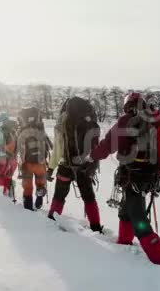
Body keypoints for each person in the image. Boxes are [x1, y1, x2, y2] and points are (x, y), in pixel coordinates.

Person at [89, 92, 160, 268]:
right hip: (151, 175)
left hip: (133, 175)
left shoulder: (126, 121)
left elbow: (108, 145)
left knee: (139, 221)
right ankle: (124, 243)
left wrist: (92, 156)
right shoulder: (157, 120)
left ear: (128, 104)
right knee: (126, 209)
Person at [46, 97, 103, 233]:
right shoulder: (90, 119)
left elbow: (58, 149)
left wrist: (51, 168)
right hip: (85, 167)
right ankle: (95, 226)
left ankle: (52, 220)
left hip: (66, 165)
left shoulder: (63, 121)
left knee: (59, 195)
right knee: (89, 197)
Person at [17, 107, 51, 210]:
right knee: (40, 182)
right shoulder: (41, 130)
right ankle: (39, 199)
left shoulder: (21, 130)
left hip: (26, 164)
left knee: (27, 187)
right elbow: (50, 146)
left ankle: (28, 208)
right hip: (40, 162)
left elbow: (18, 147)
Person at [0, 112, 18, 197]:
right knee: (8, 176)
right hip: (14, 158)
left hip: (2, 157)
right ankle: (6, 194)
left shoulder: (0, 130)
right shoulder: (15, 130)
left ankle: (10, 186)